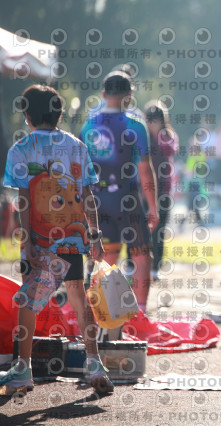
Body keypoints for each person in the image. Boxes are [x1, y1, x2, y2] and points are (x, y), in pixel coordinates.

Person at [1, 85, 113, 393]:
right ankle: (94, 362)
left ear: (27, 115)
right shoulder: (76, 146)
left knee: (27, 302)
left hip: (41, 243)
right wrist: (94, 235)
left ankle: (23, 369)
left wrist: (27, 241)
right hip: (72, 239)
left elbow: (24, 199)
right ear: (59, 113)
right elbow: (87, 195)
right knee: (78, 296)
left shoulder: (22, 149)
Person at [79, 71, 159, 315]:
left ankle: (103, 314)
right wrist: (153, 207)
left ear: (104, 94)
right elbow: (145, 170)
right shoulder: (135, 126)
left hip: (98, 200)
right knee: (142, 256)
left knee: (106, 258)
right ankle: (140, 314)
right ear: (129, 96)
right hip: (126, 198)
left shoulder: (88, 125)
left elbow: (80, 170)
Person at [145, 101, 179, 280]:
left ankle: (156, 267)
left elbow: (169, 150)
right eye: (149, 120)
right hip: (145, 190)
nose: (152, 124)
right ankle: (135, 265)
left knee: (159, 230)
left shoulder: (167, 136)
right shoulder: (143, 137)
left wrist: (158, 134)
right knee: (141, 229)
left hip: (164, 191)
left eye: (155, 120)